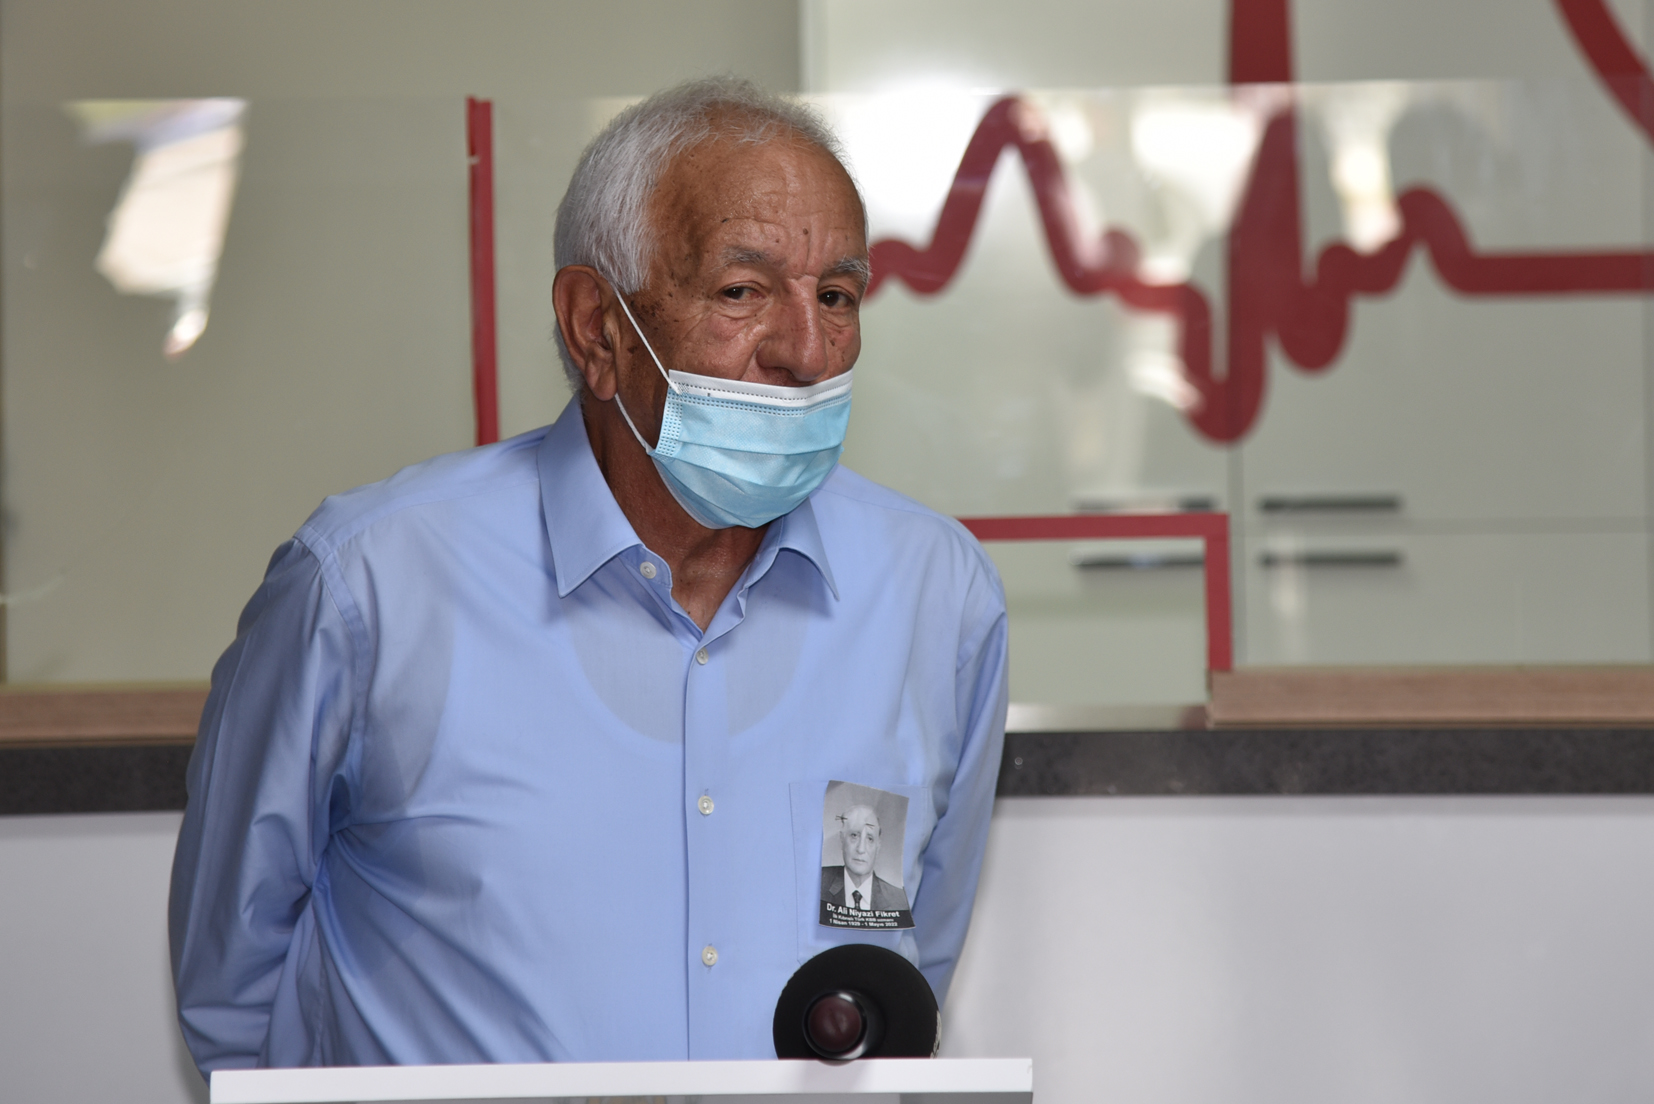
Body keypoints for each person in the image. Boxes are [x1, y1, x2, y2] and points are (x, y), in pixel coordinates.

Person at [169, 76, 1008, 1074]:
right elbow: (233, 995)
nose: (805, 350)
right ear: (596, 327)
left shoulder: (931, 596)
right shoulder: (371, 588)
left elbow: (902, 980)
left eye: (835, 295)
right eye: (741, 292)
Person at [821, 805, 909, 912]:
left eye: (870, 839)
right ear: (842, 839)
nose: (861, 849)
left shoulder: (899, 900)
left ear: (878, 846)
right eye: (854, 835)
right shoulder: (819, 882)